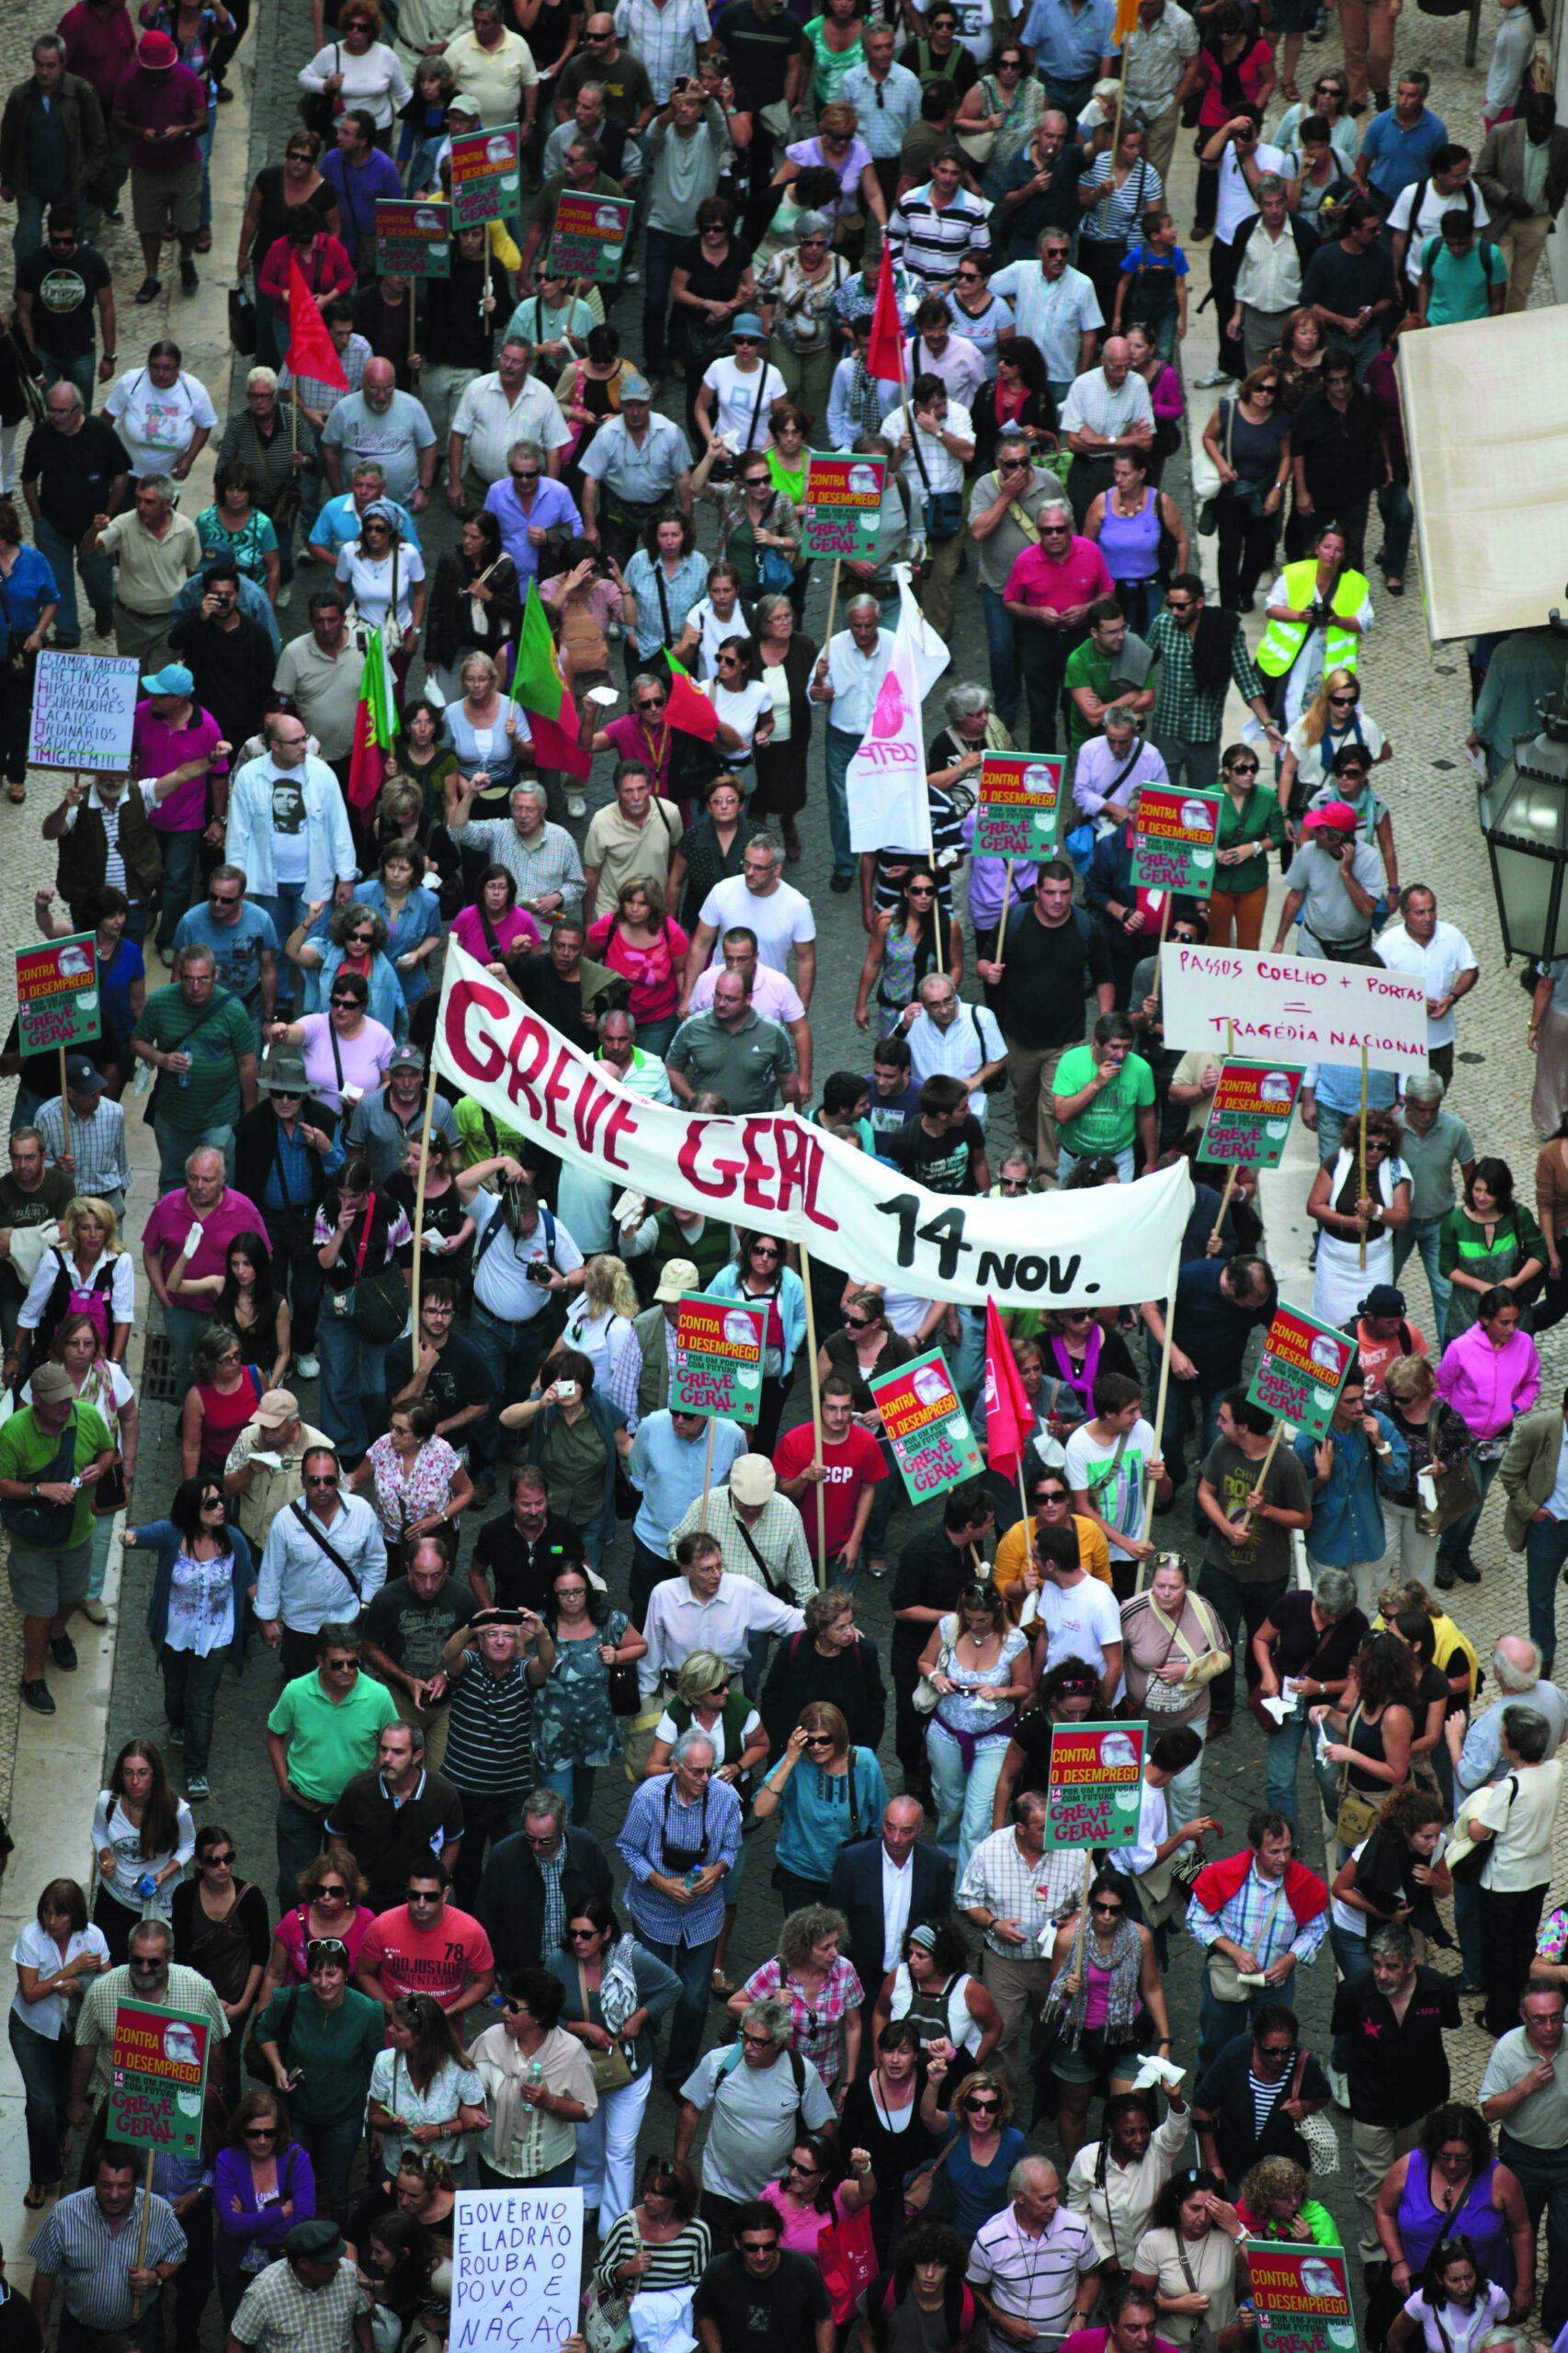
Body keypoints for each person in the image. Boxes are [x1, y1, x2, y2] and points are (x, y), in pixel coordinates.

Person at [1332, 1921, 1464, 2265]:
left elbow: (1450, 2023)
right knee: (1371, 2185)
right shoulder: (1354, 1993)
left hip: (1422, 2104)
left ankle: (1416, 2246)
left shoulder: (1437, 1989)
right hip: (1371, 2104)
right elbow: (1344, 2037)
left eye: (1391, 1966)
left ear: (1410, 1964)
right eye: (1377, 1964)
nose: (1382, 1974)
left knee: (1419, 2177)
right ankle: (1377, 2256)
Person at [553, 1893, 681, 2228]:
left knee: (620, 2150)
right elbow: (543, 2013)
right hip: (581, 2069)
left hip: (629, 2070)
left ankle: (614, 2225)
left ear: (606, 1933)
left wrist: (640, 2016)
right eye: (573, 1933)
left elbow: (672, 1986)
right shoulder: (559, 1963)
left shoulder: (632, 1959)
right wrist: (582, 2028)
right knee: (587, 2141)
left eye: (586, 1934)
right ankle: (586, 2197)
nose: (577, 1941)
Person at [0, 1358, 115, 1717]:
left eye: (69, 1397)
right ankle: (33, 1674)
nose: (68, 1405)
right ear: (38, 1402)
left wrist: (102, 1465)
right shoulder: (14, 1432)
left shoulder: (87, 1417)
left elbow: (108, 1449)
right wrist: (40, 1489)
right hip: (32, 1540)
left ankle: (58, 1633)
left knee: (72, 1596)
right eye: (59, 1401)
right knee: (39, 1608)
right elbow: (2, 1483)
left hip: (77, 1535)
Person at [129, 1476, 253, 1802]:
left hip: (216, 1636)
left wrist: (268, 1618)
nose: (220, 1507)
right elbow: (145, 1535)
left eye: (220, 1500)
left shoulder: (234, 1541)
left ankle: (196, 1769)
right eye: (210, 1503)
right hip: (175, 1634)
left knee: (201, 1702)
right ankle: (178, 1724)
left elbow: (250, 1582)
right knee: (175, 1692)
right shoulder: (173, 1535)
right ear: (191, 1510)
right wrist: (129, 1537)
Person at [957, 1791, 1086, 2085]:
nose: (1053, 1832)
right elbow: (967, 1900)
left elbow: (1087, 1904)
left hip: (1053, 1962)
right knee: (1000, 2033)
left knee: (1051, 2023)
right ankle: (1001, 2102)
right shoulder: (990, 1852)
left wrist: (1070, 1925)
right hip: (1004, 1961)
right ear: (1021, 1829)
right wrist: (994, 1924)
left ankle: (1043, 2074)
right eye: (1043, 1828)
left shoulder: (1075, 1853)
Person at [1187, 1810, 1329, 2075]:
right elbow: (1197, 1919)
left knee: (1275, 2050)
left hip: (1276, 1985)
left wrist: (1290, 1959)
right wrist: (1234, 1951)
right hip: (1228, 1977)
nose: (1283, 1858)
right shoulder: (1225, 1874)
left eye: (1288, 1849)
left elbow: (1316, 1930)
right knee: (1216, 2043)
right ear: (1254, 1848)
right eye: (1274, 1851)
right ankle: (1209, 2094)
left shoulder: (1304, 1883)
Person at [9, 1878, 109, 2213]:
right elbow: (31, 1992)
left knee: (64, 2097)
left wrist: (79, 1985)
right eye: (47, 1913)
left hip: (73, 2029)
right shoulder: (31, 1938)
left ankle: (57, 2134)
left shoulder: (92, 1936)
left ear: (74, 1916)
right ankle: (42, 2175)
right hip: (31, 2030)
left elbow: (108, 1981)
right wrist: (71, 1971)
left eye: (60, 1915)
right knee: (40, 2105)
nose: (52, 1921)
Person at [28, 2145, 187, 2348]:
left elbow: (177, 2253)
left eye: (123, 2186)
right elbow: (45, 2274)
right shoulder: (64, 2214)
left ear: (136, 2182)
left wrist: (155, 2276)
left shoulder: (159, 2212)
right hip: (80, 2335)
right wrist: (39, 2329)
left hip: (136, 2333)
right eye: (105, 2185)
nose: (113, 2195)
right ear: (95, 2180)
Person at [728, 1904, 865, 2104]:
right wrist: (771, 2006)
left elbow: (853, 2026)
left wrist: (849, 2081)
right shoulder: (776, 1971)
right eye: (826, 1947)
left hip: (824, 2076)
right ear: (803, 1948)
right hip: (778, 2076)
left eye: (836, 1944)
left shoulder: (844, 1971)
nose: (835, 1952)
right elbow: (732, 2007)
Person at [967, 2155, 1103, 2347]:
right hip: (1006, 2349)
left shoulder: (1076, 2228)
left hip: (1063, 2348)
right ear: (1020, 2197)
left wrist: (1080, 2316)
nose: (1055, 2204)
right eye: (1045, 2198)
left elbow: (1091, 2278)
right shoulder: (990, 2239)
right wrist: (1003, 2322)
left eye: (1057, 2194)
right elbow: (973, 2291)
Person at [211, 2089, 317, 2325]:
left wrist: (252, 2229)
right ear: (241, 2130)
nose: (262, 2140)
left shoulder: (297, 2159)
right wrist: (281, 2212)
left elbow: (304, 2219)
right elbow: (231, 2225)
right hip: (237, 2269)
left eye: (270, 2133)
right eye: (253, 2133)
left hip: (285, 2270)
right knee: (238, 2331)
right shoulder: (227, 2160)